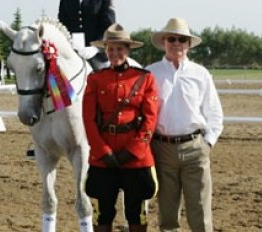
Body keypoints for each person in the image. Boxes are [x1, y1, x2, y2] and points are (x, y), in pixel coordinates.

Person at [146, 17, 223, 232]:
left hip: (195, 148)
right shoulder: (151, 73)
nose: (177, 43)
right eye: (172, 38)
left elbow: (215, 113)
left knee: (200, 211)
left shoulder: (201, 74)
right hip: (162, 149)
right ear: (164, 42)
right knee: (167, 214)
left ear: (188, 44)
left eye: (182, 39)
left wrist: (207, 144)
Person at [83, 23, 158, 232]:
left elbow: (150, 119)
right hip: (103, 156)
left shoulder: (144, 78)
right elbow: (88, 119)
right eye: (111, 48)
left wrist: (133, 151)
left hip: (135, 157)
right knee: (102, 214)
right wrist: (102, 151)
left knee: (136, 215)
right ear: (105, 50)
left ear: (128, 49)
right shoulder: (96, 79)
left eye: (120, 48)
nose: (115, 53)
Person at [58, 0, 116, 70]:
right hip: (73, 54)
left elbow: (109, 27)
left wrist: (96, 47)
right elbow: (62, 25)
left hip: (98, 56)